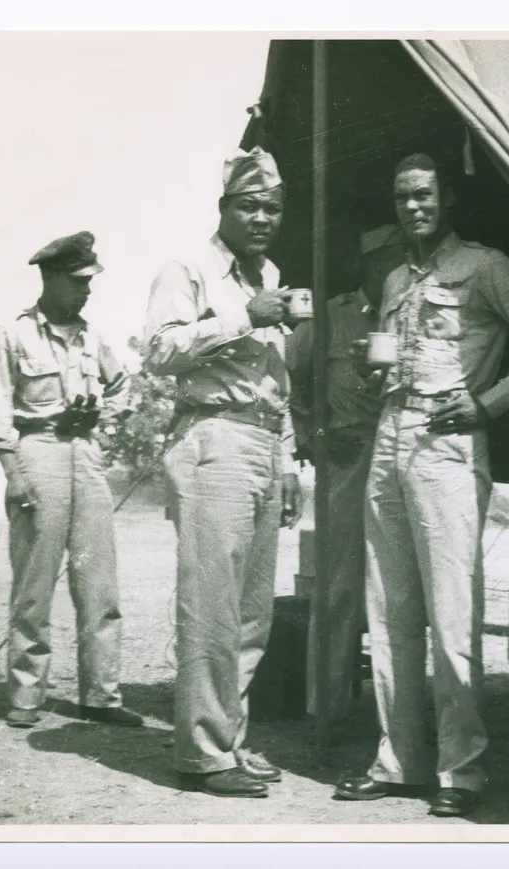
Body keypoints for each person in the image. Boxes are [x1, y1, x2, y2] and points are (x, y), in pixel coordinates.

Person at [333, 153, 509, 817]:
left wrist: (489, 404)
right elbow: (389, 360)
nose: (415, 207)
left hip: (448, 443)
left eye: (426, 195)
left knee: (451, 612)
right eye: (404, 196)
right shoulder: (394, 277)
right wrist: (370, 363)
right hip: (391, 435)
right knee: (391, 608)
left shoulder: (485, 267)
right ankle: (400, 758)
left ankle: (461, 770)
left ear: (448, 200)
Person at [143, 146, 304, 798]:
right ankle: (203, 753)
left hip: (263, 441)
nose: (262, 216)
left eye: (272, 207)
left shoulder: (270, 273)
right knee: (211, 606)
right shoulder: (190, 270)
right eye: (249, 205)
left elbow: (276, 376)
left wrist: (288, 455)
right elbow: (159, 349)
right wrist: (244, 316)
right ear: (223, 208)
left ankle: (228, 740)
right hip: (212, 439)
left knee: (250, 611)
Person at [0, 231, 143, 730]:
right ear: (49, 278)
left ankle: (102, 695)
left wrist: (106, 424)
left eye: (89, 281)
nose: (85, 291)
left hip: (85, 455)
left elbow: (122, 385)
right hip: (37, 453)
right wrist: (13, 473)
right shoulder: (10, 334)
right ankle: (27, 696)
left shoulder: (92, 338)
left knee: (99, 584)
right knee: (34, 583)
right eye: (76, 281)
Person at [286, 223, 406, 732]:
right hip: (348, 461)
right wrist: (312, 437)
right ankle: (327, 709)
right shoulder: (332, 317)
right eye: (393, 262)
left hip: (403, 459)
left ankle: (395, 715)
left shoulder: (412, 316)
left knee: (398, 594)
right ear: (373, 265)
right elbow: (285, 377)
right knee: (337, 591)